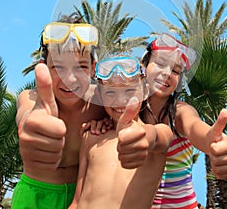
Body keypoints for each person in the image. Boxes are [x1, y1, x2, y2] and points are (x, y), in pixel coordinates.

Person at [12, 15, 108, 209]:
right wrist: (30, 124)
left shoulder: (102, 102)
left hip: (81, 198)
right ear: (43, 67)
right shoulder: (30, 97)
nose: (70, 78)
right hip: (34, 196)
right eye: (58, 67)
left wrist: (109, 124)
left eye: (80, 67)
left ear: (93, 69)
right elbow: (26, 115)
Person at [140, 33, 227, 209]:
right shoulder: (126, 113)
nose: (166, 73)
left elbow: (195, 127)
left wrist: (212, 141)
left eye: (176, 71)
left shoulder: (180, 112)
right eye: (161, 63)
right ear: (144, 66)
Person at [68, 56, 174, 209]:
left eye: (130, 91)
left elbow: (159, 138)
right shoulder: (92, 137)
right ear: (100, 96)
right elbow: (77, 201)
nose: (120, 100)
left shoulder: (156, 135)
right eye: (110, 93)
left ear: (145, 91)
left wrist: (144, 137)